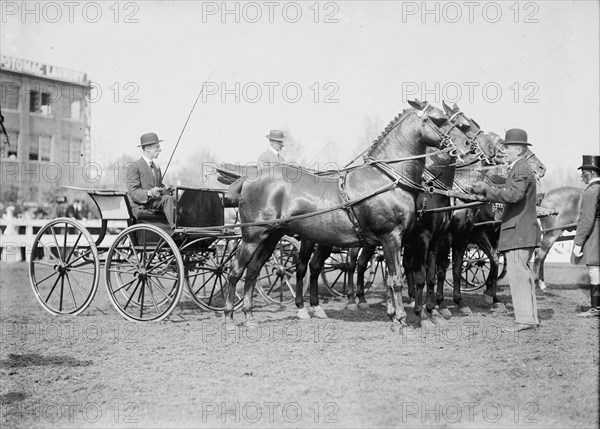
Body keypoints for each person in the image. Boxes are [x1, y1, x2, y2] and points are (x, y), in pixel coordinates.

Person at [470, 128, 542, 332]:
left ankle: (525, 320)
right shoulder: (520, 168)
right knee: (523, 275)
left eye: (508, 147)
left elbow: (514, 196)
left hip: (519, 233)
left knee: (518, 276)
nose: (504, 150)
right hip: (522, 232)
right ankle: (530, 318)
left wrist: (487, 190)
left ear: (519, 150)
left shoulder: (519, 169)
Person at [126, 132, 176, 229]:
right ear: (147, 149)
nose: (160, 150)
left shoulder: (156, 168)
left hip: (155, 202)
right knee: (168, 199)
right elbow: (133, 192)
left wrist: (166, 189)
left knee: (177, 198)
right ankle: (176, 228)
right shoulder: (134, 167)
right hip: (142, 205)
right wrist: (150, 193)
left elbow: (158, 187)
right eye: (157, 147)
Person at [571, 155, 600, 318]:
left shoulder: (591, 191)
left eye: (583, 172)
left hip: (594, 234)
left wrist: (578, 243)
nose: (581, 176)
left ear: (590, 173)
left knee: (594, 269)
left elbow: (587, 219)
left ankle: (596, 308)